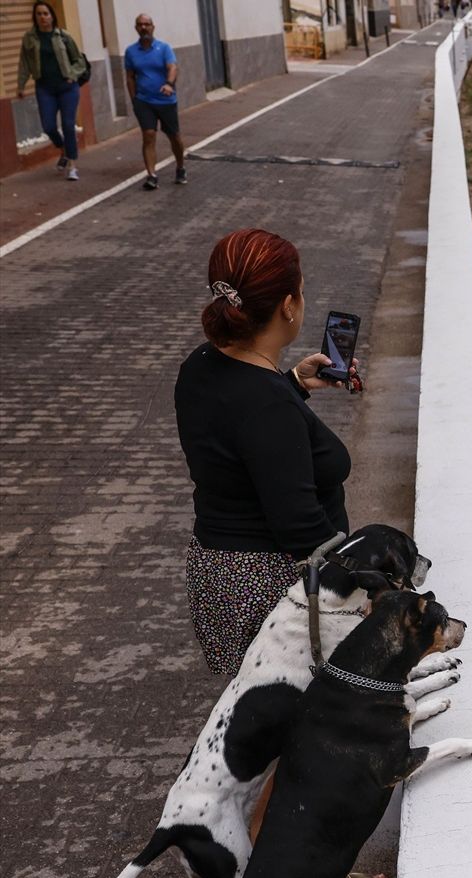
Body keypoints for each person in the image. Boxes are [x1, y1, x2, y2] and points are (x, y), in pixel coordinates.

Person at [175, 228, 358, 681]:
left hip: (220, 576)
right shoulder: (267, 404)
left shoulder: (199, 365)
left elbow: (237, 434)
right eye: (301, 289)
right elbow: (299, 527)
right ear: (288, 305)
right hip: (270, 586)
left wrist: (293, 382)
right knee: (299, 719)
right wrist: (367, 579)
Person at [14, 1, 89, 181]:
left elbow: (79, 61)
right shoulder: (29, 38)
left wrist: (72, 74)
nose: (43, 17)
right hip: (45, 88)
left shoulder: (63, 36)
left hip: (67, 87)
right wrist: (21, 85)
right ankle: (63, 148)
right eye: (39, 14)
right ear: (35, 17)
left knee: (68, 125)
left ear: (52, 16)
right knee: (48, 126)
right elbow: (24, 63)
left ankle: (72, 164)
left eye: (46, 13)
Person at [125, 13, 185, 190]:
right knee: (148, 135)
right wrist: (134, 99)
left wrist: (169, 84)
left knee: (174, 136)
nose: (144, 27)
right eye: (140, 24)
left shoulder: (164, 48)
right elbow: (129, 77)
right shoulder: (131, 51)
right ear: (136, 28)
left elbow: (173, 67)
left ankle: (180, 167)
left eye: (147, 24)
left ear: (153, 27)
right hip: (144, 101)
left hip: (166, 101)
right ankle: (151, 175)